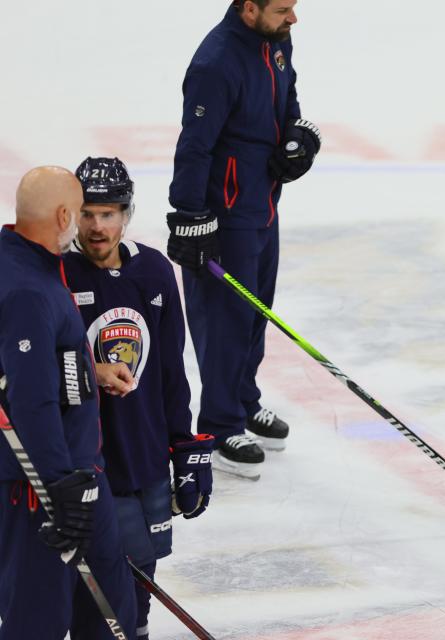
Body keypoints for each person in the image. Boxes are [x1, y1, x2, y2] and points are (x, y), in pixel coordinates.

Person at [167, 0, 320, 479]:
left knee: (256, 314)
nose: (292, 18)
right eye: (282, 8)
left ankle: (242, 398)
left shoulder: (275, 42)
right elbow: (194, 146)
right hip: (224, 216)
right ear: (248, 8)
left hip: (263, 204)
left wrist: (298, 137)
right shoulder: (215, 63)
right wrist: (189, 216)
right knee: (226, 320)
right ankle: (217, 425)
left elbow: (287, 98)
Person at [63, 157, 214, 640]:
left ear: (126, 213)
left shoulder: (153, 270)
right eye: (87, 213)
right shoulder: (57, 273)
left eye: (107, 214)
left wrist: (186, 448)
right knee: (98, 598)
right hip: (87, 462)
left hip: (145, 456)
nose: (96, 226)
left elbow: (171, 368)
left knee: (141, 589)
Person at [0, 166, 137, 638]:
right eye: (79, 214)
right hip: (44, 487)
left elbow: (43, 365)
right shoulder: (27, 289)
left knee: (111, 612)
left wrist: (88, 369)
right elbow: (31, 400)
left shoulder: (32, 266)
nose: (84, 226)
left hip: (79, 474)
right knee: (37, 620)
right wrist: (59, 486)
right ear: (63, 215)